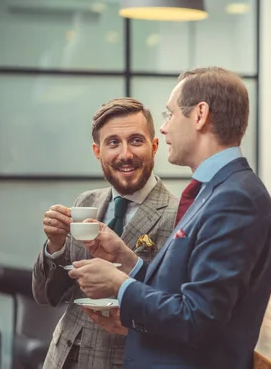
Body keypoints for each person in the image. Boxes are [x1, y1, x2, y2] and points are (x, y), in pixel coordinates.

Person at [68, 67, 271, 369]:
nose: (164, 129)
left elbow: (197, 317)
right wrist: (128, 261)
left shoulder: (236, 200)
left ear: (199, 115)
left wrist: (119, 284)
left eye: (169, 115)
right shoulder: (214, 190)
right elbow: (184, 289)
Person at [32, 98, 179, 369]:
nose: (125, 154)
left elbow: (177, 312)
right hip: (62, 359)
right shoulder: (85, 202)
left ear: (154, 146)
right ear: (97, 151)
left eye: (136, 140)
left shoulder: (178, 215)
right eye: (113, 143)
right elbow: (45, 296)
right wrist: (55, 246)